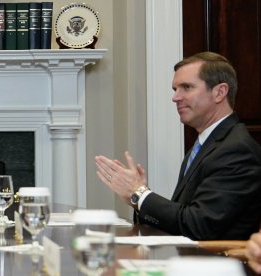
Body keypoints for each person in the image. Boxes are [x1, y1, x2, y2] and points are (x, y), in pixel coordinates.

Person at [95, 52, 261, 240]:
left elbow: (200, 225)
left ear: (219, 92)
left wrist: (140, 195)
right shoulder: (206, 143)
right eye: (175, 89)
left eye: (186, 87)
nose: (175, 97)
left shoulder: (237, 150)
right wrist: (138, 198)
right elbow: (184, 216)